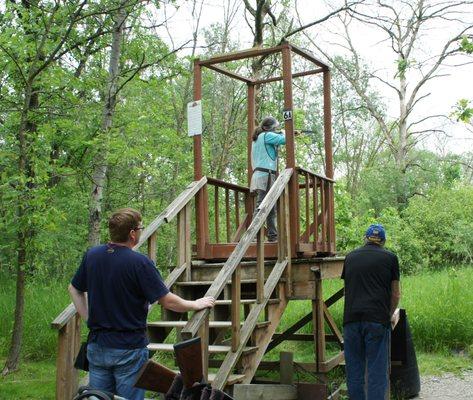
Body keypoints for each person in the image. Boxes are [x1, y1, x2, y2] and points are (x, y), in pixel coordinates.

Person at [68, 208, 215, 400]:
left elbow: (74, 289)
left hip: (98, 346)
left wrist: (89, 319)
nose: (141, 231)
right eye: (140, 228)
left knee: (98, 397)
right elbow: (167, 301)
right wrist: (195, 303)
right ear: (132, 233)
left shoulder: (93, 256)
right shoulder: (139, 263)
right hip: (129, 349)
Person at [341, 224, 401, 400]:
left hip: (351, 321)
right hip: (376, 320)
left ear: (365, 238)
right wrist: (388, 315)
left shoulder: (350, 257)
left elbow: (347, 291)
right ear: (383, 241)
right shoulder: (390, 258)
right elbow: (396, 294)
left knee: (354, 371)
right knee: (376, 372)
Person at [250, 116, 287, 242]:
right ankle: (253, 235)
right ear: (269, 128)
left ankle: (272, 235)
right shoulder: (266, 136)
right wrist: (285, 132)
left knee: (270, 205)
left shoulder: (258, 138)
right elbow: (284, 140)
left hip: (260, 174)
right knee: (262, 205)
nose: (276, 129)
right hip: (266, 174)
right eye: (275, 127)